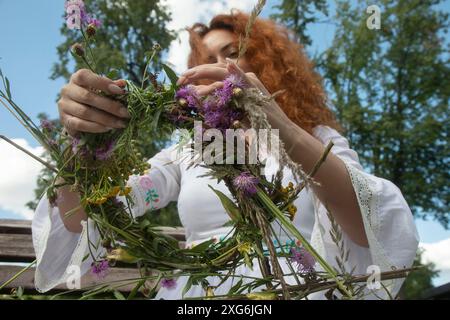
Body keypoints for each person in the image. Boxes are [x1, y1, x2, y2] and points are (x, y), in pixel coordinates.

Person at [31, 11, 419, 299]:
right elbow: (93, 214)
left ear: (267, 63)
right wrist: (84, 147)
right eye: (205, 57)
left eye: (232, 53)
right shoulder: (188, 152)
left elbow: (367, 223)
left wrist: (280, 128)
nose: (218, 66)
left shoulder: (315, 137)